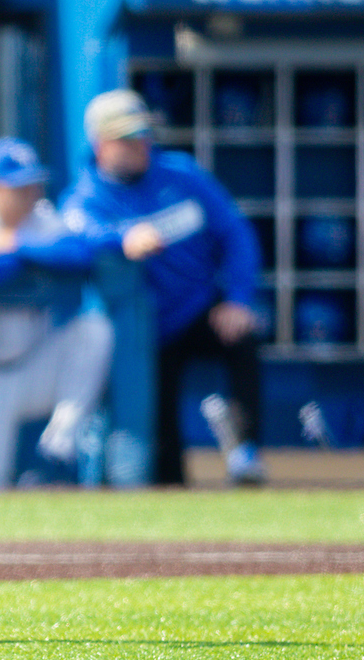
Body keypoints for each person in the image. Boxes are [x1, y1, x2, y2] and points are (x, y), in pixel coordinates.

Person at [57, 89, 266, 487]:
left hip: (198, 308)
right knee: (163, 453)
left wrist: (238, 298)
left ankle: (245, 454)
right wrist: (122, 238)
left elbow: (235, 233)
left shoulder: (182, 174)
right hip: (143, 335)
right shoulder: (87, 196)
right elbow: (76, 231)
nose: (139, 145)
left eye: (143, 135)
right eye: (125, 138)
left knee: (243, 338)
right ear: (100, 146)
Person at [0, 137, 116, 490]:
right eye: (17, 187)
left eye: (33, 184)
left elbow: (81, 254)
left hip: (34, 363)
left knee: (94, 330)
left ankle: (60, 442)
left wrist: (16, 244)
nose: (30, 194)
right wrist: (29, 258)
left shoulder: (41, 219)